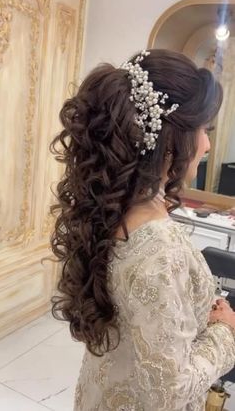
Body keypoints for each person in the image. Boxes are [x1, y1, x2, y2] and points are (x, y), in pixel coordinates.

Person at [50, 49, 235, 411]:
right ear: (170, 142)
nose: (207, 144)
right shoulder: (161, 249)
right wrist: (224, 333)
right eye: (203, 130)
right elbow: (169, 393)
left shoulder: (110, 210)